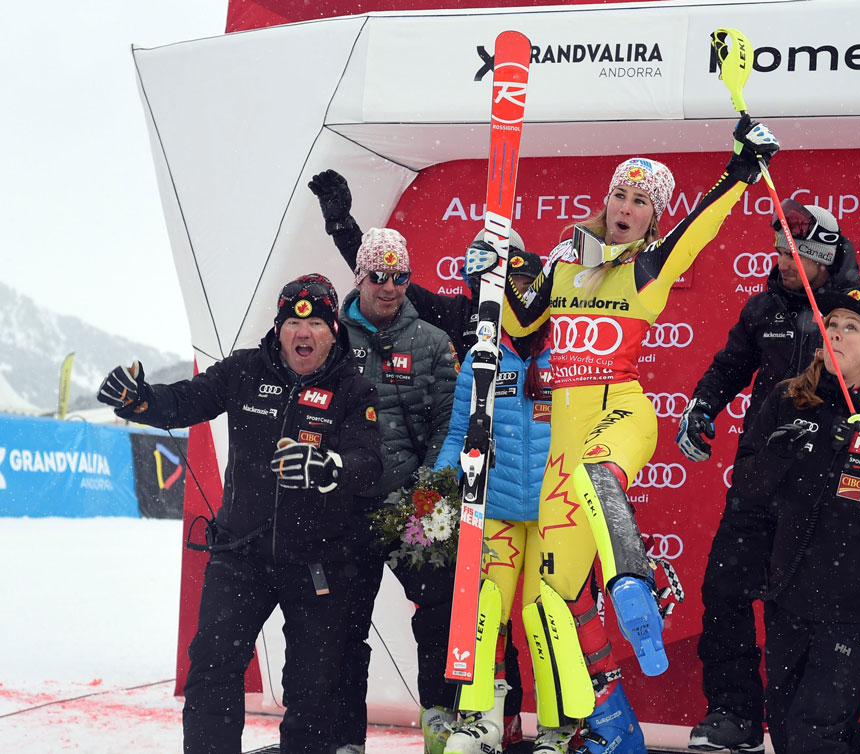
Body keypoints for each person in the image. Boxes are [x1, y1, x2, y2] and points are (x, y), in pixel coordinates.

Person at [466, 114, 780, 754]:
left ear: (652, 216)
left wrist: (743, 166)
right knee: (555, 602)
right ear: (605, 200)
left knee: (598, 478)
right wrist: (490, 279)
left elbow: (702, 225)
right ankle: (606, 724)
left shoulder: (649, 266)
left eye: (641, 201)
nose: (626, 208)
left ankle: (633, 576)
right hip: (563, 438)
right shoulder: (561, 264)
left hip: (621, 413)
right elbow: (523, 331)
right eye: (620, 195)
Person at [97, 273, 382, 754]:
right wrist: (140, 401)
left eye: (313, 325)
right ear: (279, 327)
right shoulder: (244, 370)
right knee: (211, 666)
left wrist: (327, 466)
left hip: (317, 561)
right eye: (292, 322)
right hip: (239, 553)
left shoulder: (354, 390)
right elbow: (187, 400)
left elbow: (369, 463)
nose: (302, 334)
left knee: (314, 688)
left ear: (333, 330)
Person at [674, 201, 860, 752]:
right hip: (760, 480)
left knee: (807, 617)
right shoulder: (763, 309)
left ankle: (833, 733)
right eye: (778, 250)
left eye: (795, 253)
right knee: (726, 589)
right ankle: (733, 714)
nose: (782, 261)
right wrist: (702, 405)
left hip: (824, 501)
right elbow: (729, 367)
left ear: (824, 256)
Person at [732, 285, 860, 754]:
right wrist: (777, 454)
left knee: (814, 734)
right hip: (788, 593)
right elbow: (748, 484)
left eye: (851, 327)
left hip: (854, 602)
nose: (835, 334)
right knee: (789, 736)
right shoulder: (789, 398)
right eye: (830, 324)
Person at [324, 227, 463, 754]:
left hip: (414, 506)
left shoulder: (430, 341)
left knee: (443, 614)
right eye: (378, 276)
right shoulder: (331, 338)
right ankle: (345, 740)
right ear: (359, 277)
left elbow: (450, 424)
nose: (389, 287)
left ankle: (441, 726)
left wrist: (425, 492)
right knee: (342, 628)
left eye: (400, 276)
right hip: (349, 508)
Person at [432, 250, 568, 754]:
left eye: (533, 290)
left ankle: (557, 727)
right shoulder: (482, 356)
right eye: (514, 292)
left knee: (545, 617)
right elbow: (455, 435)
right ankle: (484, 720)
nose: (524, 302)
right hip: (499, 512)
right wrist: (435, 491)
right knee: (483, 612)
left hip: (556, 516)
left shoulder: (572, 352)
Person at [309, 170, 528, 364]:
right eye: (482, 261)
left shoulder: (539, 314)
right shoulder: (456, 313)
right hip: (468, 406)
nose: (493, 272)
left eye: (505, 265)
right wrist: (342, 226)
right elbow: (381, 271)